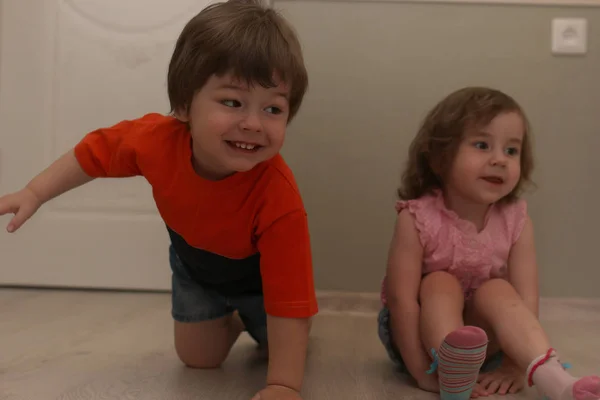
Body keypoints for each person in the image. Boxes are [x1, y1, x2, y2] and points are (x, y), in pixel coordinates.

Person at [0, 1, 318, 399]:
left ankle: (258, 322)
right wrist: (34, 192)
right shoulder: (154, 141)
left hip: (261, 281)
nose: (253, 123)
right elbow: (91, 155)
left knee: (283, 341)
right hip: (194, 267)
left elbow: (289, 298)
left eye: (273, 108)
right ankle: (233, 321)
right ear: (184, 105)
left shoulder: (278, 197)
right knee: (198, 358)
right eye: (233, 102)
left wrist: (283, 385)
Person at [377, 87, 600, 400]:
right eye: (482, 145)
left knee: (498, 289)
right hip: (418, 340)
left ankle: (554, 378)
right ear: (440, 157)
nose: (500, 160)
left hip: (489, 342)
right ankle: (450, 371)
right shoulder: (416, 218)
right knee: (439, 282)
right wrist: (419, 371)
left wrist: (513, 364)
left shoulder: (516, 220)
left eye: (512, 151)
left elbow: (526, 297)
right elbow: (401, 301)